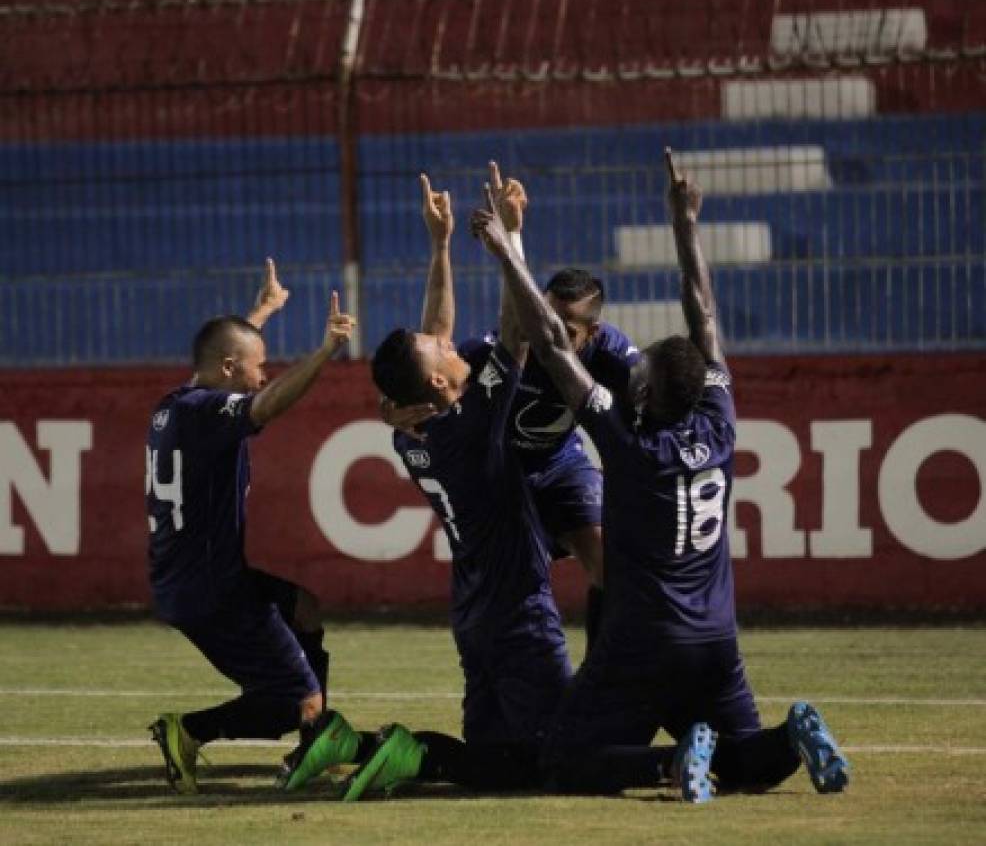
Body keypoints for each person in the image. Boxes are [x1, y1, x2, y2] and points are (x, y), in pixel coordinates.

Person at [471, 149, 850, 802]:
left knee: (561, 759)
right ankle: (790, 736)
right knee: (744, 764)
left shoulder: (628, 445)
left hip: (642, 642)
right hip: (716, 640)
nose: (632, 368)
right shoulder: (721, 419)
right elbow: (703, 315)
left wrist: (507, 252)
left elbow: (557, 346)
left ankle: (669, 762)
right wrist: (686, 225)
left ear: (643, 394)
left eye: (639, 371)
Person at [282, 172, 572, 800]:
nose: (447, 340)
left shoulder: (414, 429)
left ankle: (353, 744)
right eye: (439, 351)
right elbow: (519, 328)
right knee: (561, 762)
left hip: (473, 612)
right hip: (517, 610)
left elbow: (433, 336)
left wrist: (440, 247)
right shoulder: (470, 422)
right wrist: (509, 240)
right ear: (440, 384)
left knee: (493, 763)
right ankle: (412, 754)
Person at [384, 163, 640, 655]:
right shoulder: (493, 351)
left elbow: (654, 399)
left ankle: (603, 669)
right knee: (519, 581)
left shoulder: (611, 355)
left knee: (609, 564)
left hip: (561, 462)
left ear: (592, 333)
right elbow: (430, 367)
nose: (545, 327)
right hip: (506, 477)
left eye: (565, 326)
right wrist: (394, 408)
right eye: (542, 311)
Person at [146, 259, 357, 794]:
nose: (264, 372)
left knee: (305, 608)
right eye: (257, 364)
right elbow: (265, 402)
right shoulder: (206, 413)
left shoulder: (177, 406)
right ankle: (193, 732)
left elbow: (233, 358)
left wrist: (262, 311)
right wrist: (326, 352)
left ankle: (305, 738)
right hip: (210, 591)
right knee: (299, 699)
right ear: (226, 370)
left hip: (201, 578)